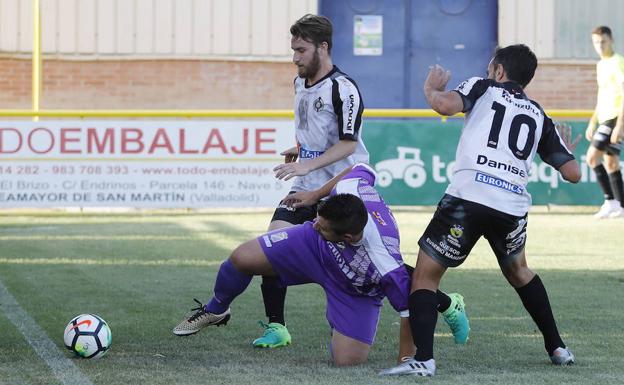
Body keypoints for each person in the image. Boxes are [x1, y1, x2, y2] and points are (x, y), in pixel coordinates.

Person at [380, 44, 581, 377]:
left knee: (425, 277)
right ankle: (558, 347)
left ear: (499, 71)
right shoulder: (537, 113)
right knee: (519, 273)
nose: (489, 73)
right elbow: (572, 173)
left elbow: (444, 105)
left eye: (491, 69)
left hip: (469, 197)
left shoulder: (483, 87)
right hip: (511, 206)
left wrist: (431, 87)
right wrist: (565, 151)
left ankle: (425, 360)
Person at [172, 164, 469, 366]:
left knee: (346, 361)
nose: (314, 223)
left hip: (357, 288)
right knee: (241, 258)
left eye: (323, 224)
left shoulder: (383, 260)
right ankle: (215, 309)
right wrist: (315, 196)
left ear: (350, 236)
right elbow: (360, 169)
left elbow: (408, 310)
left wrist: (406, 362)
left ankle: (446, 302)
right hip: (315, 249)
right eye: (318, 218)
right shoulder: (346, 195)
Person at [257, 14, 369, 348]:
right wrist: (301, 150)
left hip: (342, 185)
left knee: (366, 262)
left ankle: (444, 302)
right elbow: (314, 130)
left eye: (301, 50)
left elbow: (349, 143)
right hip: (305, 184)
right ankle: (277, 327)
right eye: (293, 49)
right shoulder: (298, 82)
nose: (295, 57)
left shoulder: (343, 89)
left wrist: (309, 165)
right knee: (272, 246)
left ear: (323, 47)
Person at [585, 26, 624, 218]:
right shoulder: (601, 64)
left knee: (592, 157)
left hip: (616, 117)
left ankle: (610, 201)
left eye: (603, 41)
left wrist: (620, 125)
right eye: (596, 42)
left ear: (611, 40)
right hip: (604, 117)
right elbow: (602, 96)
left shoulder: (618, 62)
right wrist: (593, 121)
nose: (599, 46)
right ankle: (619, 205)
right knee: (611, 163)